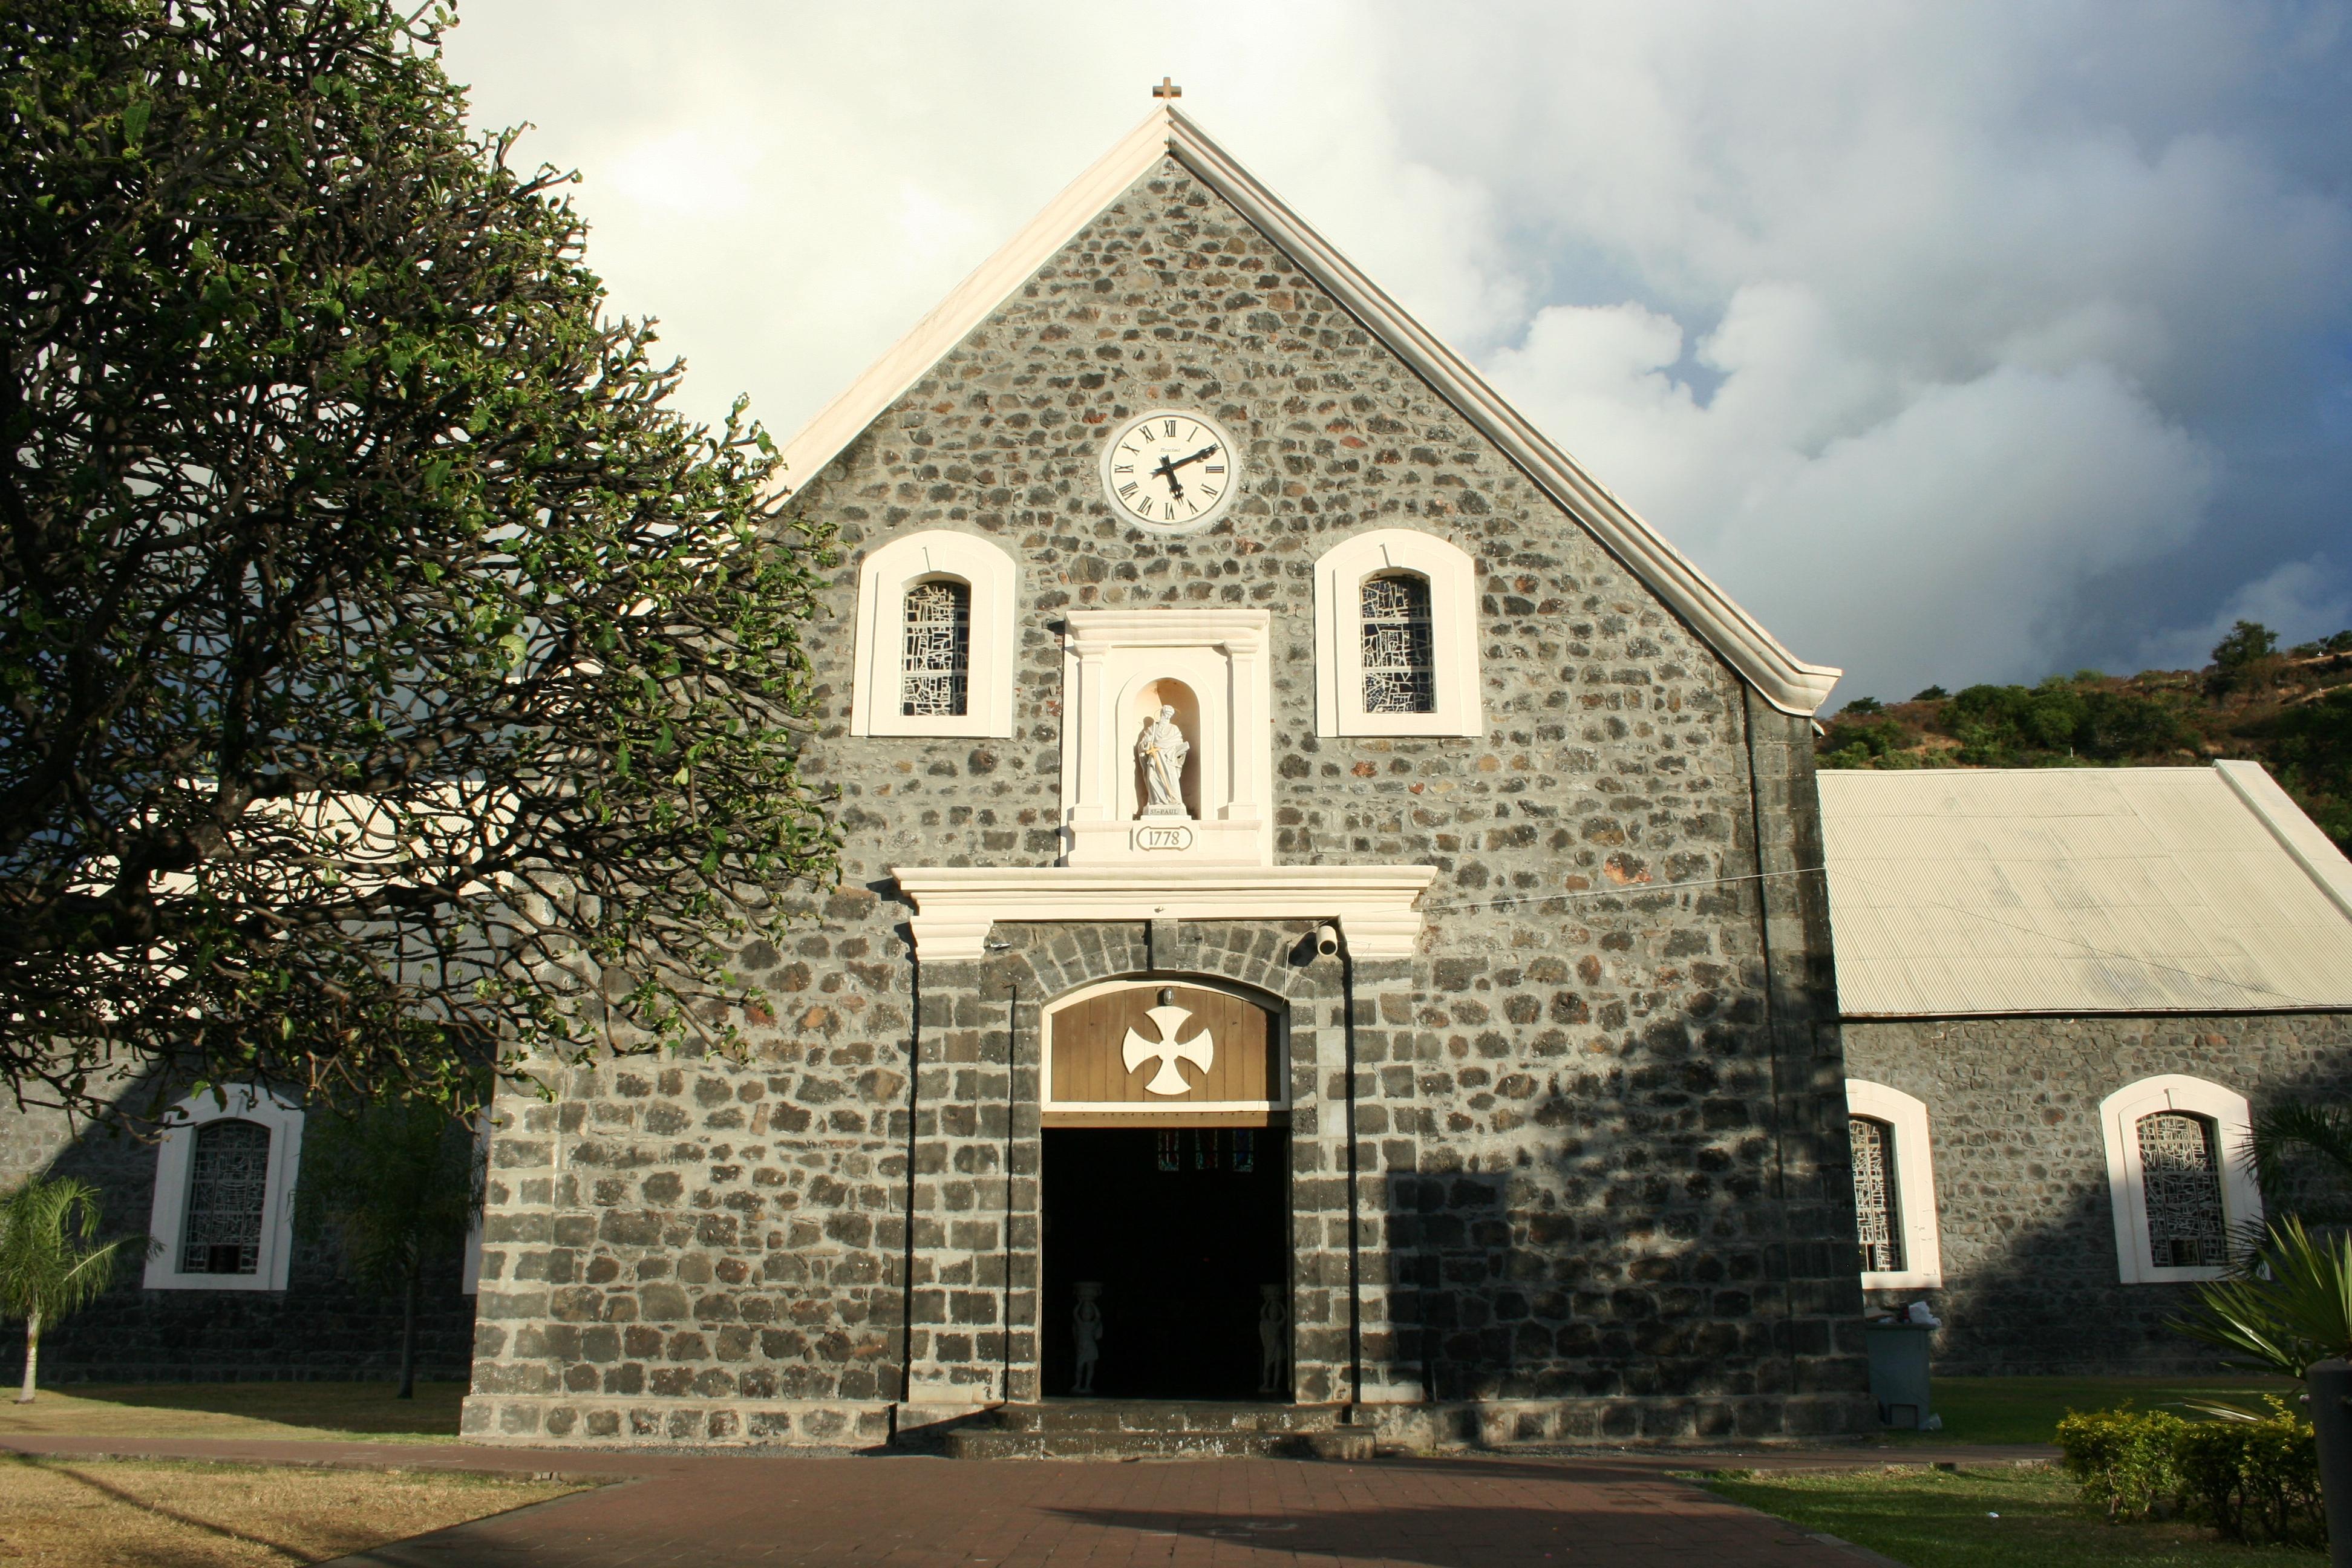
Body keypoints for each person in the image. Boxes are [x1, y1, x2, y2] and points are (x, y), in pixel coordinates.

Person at [1137, 704, 1189, 816]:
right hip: (1155, 758)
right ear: (1161, 715)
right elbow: (1143, 744)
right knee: (1153, 778)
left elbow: (1179, 743)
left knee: (1172, 781)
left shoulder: (1174, 729)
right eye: (1165, 714)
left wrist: (1180, 751)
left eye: (1169, 715)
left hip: (1169, 760)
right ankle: (1156, 802)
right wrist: (1147, 745)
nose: (1167, 717)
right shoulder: (1153, 728)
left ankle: (1173, 801)